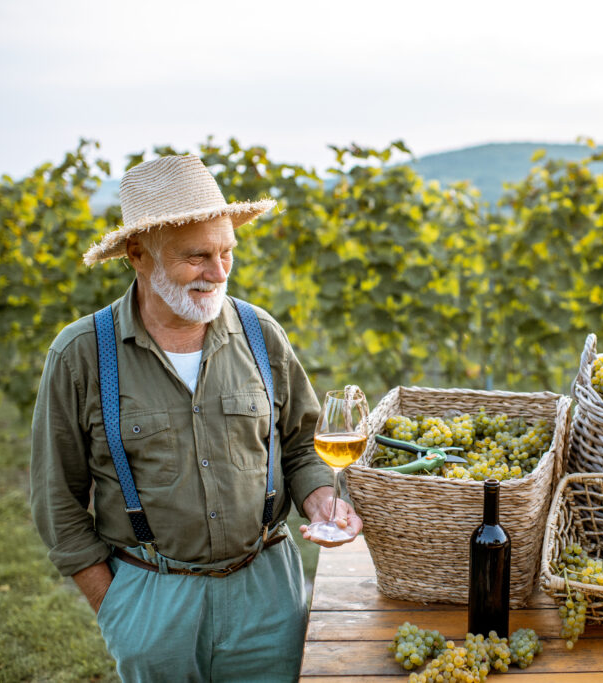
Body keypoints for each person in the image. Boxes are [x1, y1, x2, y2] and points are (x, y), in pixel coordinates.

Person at [30, 154, 362, 682]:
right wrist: (118, 607)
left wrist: (322, 498)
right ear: (138, 254)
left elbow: (300, 444)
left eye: (227, 252)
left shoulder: (259, 334)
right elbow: (56, 499)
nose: (218, 271)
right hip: (152, 597)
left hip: (268, 592)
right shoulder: (82, 354)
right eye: (197, 256)